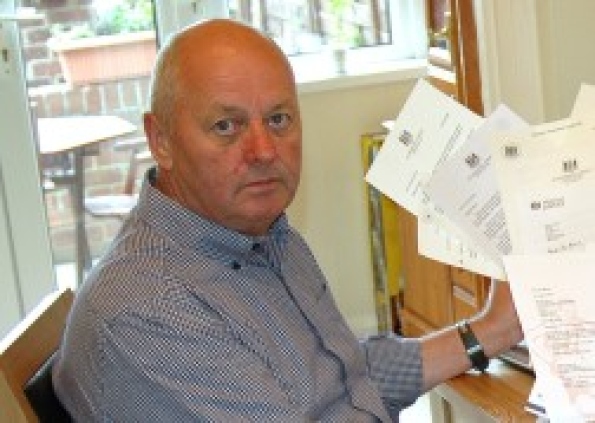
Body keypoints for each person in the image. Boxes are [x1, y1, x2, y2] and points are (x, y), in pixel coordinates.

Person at [53, 19, 523, 422]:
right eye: (226, 126)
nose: (263, 151)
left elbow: (344, 376)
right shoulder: (149, 310)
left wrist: (492, 329)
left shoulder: (262, 233)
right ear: (161, 140)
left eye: (278, 119)